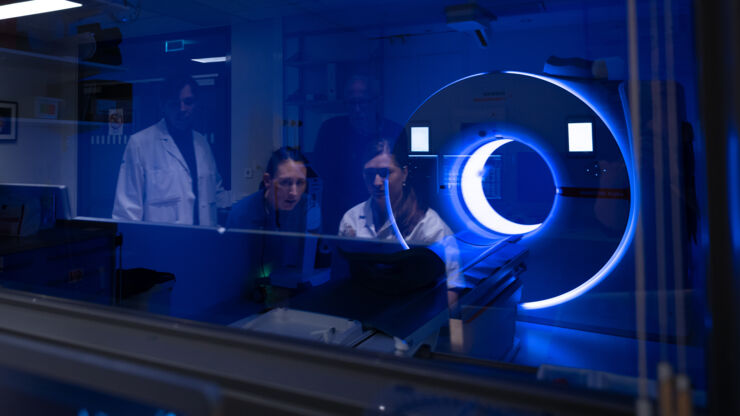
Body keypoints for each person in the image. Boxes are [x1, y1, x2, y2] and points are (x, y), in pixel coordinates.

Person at [112, 76, 229, 226]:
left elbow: (216, 193)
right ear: (163, 105)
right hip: (160, 244)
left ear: (196, 104)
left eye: (188, 102)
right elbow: (126, 212)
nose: (182, 109)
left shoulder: (202, 143)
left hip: (203, 242)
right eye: (175, 103)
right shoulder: (140, 144)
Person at [312, 74, 406, 234]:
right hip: (339, 216)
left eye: (362, 102)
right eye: (351, 102)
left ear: (376, 101)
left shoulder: (394, 131)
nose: (356, 109)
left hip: (387, 216)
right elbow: (322, 172)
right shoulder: (330, 130)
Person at [338, 138, 450, 244]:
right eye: (370, 174)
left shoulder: (430, 227)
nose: (376, 182)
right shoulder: (351, 219)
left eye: (385, 173)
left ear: (404, 173)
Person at [227, 147, 316, 232]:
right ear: (267, 181)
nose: (294, 193)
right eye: (285, 182)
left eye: (300, 183)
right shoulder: (241, 214)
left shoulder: (309, 208)